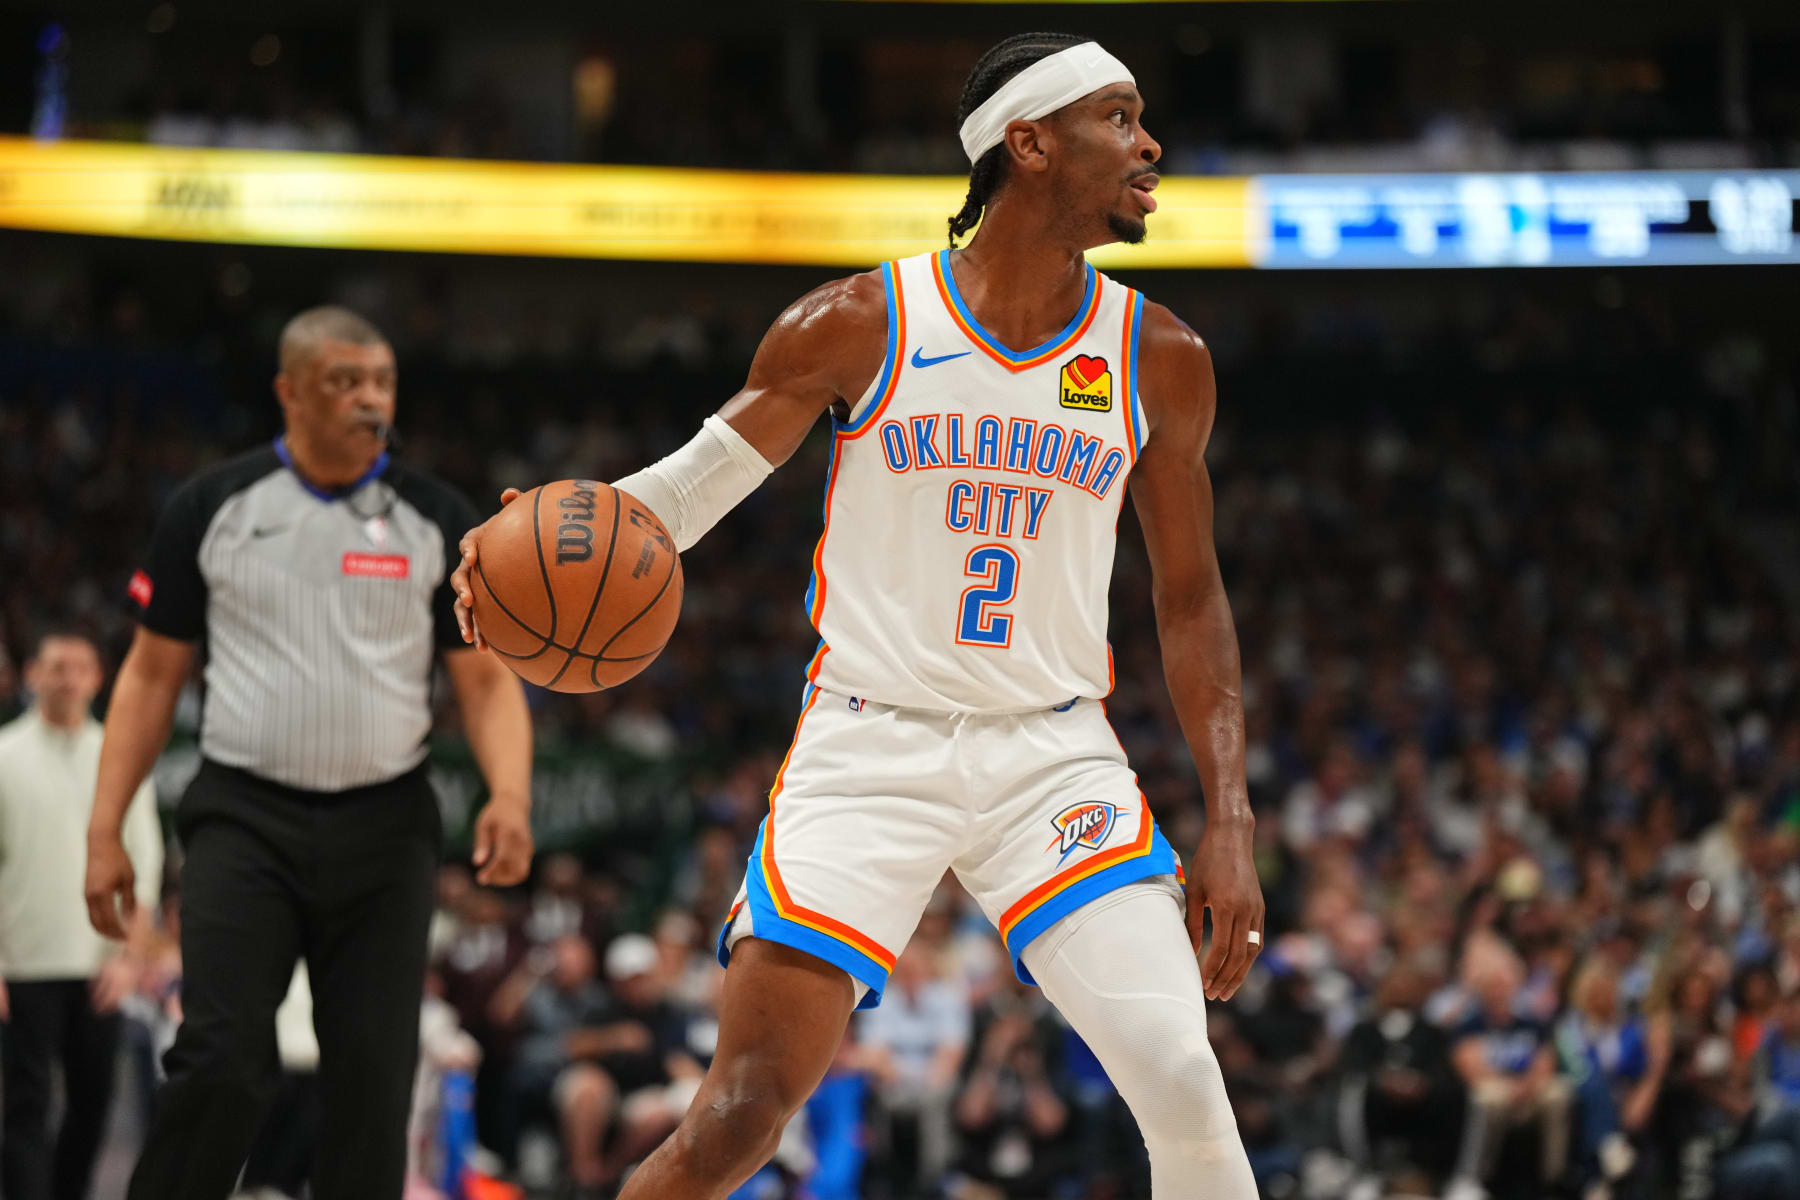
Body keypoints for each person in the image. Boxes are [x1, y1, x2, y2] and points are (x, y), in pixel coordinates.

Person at [454, 33, 1263, 1199]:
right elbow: (682, 495)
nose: (1151, 144)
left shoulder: (1159, 356)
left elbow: (1190, 602)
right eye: (1120, 116)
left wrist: (1228, 820)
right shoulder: (858, 321)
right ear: (1028, 145)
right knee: (736, 1117)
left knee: (1184, 1077)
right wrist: (526, 537)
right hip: (869, 742)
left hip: (1052, 754)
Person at [83, 306, 537, 1200]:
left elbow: (484, 682)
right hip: (243, 821)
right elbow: (147, 677)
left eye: (382, 381)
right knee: (219, 1063)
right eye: (345, 381)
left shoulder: (436, 518)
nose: (370, 398)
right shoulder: (213, 507)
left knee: (372, 1079)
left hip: (386, 827)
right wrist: (105, 831)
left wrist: (510, 795)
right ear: (290, 391)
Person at [0, 630, 164, 1200]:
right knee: (23, 1107)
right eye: (56, 667)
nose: (68, 678)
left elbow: (146, 858)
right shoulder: (4, 756)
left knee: (93, 1105)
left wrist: (129, 956)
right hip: (22, 964)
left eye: (80, 667)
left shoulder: (120, 753)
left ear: (99, 679)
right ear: (32, 676)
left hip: (99, 964)